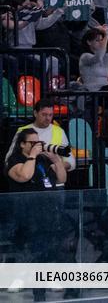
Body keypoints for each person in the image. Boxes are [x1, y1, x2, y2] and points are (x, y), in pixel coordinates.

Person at [5, 128, 71, 302]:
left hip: (49, 213)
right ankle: (38, 294)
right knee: (36, 254)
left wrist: (56, 159)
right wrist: (32, 155)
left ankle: (66, 287)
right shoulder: (15, 160)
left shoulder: (42, 159)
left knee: (58, 251)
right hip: (28, 217)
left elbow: (62, 179)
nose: (37, 145)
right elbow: (24, 176)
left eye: (38, 142)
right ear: (22, 144)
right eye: (32, 143)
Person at [5, 98, 75, 171]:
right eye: (44, 114)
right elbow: (9, 159)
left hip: (54, 178)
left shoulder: (59, 131)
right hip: (28, 176)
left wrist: (57, 166)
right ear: (35, 113)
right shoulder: (22, 131)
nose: (48, 118)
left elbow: (71, 161)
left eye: (50, 115)